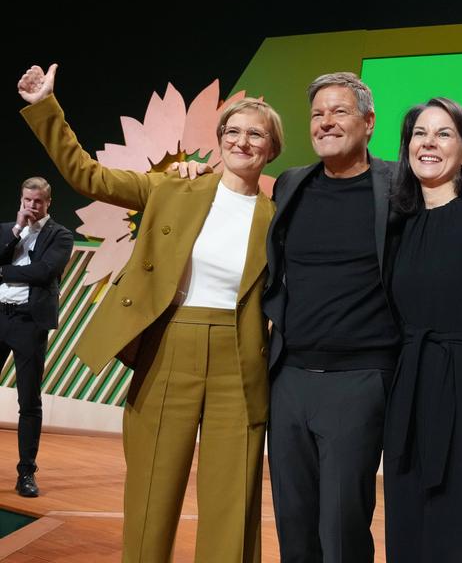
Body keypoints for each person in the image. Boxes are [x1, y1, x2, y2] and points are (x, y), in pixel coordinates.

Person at [19, 63, 284, 563]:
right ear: (220, 138)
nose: (243, 141)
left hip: (241, 359)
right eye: (233, 130)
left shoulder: (279, 218)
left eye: (257, 134)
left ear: (272, 149)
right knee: (151, 494)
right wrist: (45, 107)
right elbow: (86, 175)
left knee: (233, 500)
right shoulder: (171, 188)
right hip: (169, 347)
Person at [263, 72, 399, 563]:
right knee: (293, 523)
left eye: (339, 112)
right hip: (290, 377)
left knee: (342, 527)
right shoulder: (291, 184)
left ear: (368, 122)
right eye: (318, 114)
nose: (326, 122)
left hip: (360, 379)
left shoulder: (399, 186)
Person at [383, 97, 462, 563]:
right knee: (407, 519)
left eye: (444, 134)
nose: (428, 143)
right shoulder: (398, 223)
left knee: (460, 523)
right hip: (408, 387)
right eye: (419, 133)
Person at [0, 177, 73, 498]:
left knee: (28, 400)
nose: (31, 207)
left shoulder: (61, 235)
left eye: (38, 202)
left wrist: (3, 271)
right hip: (1, 314)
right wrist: (16, 231)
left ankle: (26, 473)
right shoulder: (6, 230)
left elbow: (45, 271)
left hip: (30, 323)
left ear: (48, 203)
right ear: (21, 200)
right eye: (27, 200)